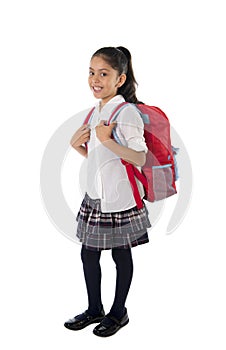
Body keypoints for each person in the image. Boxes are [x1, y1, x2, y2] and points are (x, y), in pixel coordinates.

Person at [64, 46, 151, 337]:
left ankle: (118, 313)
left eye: (104, 73)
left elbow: (139, 158)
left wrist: (107, 139)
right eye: (91, 72)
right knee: (89, 255)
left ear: (120, 79)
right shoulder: (96, 110)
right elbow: (102, 159)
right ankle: (94, 310)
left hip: (121, 199)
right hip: (95, 196)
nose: (95, 79)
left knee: (120, 255)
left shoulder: (126, 113)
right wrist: (78, 147)